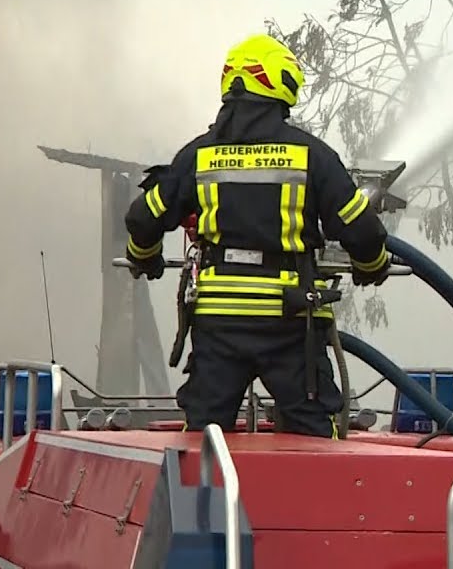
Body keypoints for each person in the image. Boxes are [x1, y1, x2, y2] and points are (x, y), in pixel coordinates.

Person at [123, 33, 391, 439]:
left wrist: (145, 257)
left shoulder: (199, 156)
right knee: (314, 437)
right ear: (276, 82)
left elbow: (143, 218)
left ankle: (204, 503)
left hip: (218, 327)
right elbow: (363, 230)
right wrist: (372, 266)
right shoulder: (311, 156)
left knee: (202, 439)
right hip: (291, 323)